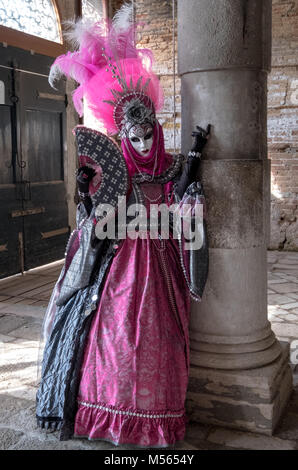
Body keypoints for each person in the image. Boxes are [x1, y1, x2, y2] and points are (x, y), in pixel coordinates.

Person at [36, 5, 210, 448]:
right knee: (113, 341)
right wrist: (84, 192)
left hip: (164, 265)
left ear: (156, 125)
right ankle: (108, 416)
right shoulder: (112, 171)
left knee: (161, 343)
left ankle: (154, 421)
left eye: (150, 132)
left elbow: (182, 195)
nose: (145, 141)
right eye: (135, 136)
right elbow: (95, 212)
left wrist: (193, 163)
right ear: (122, 135)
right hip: (120, 264)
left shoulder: (171, 166)